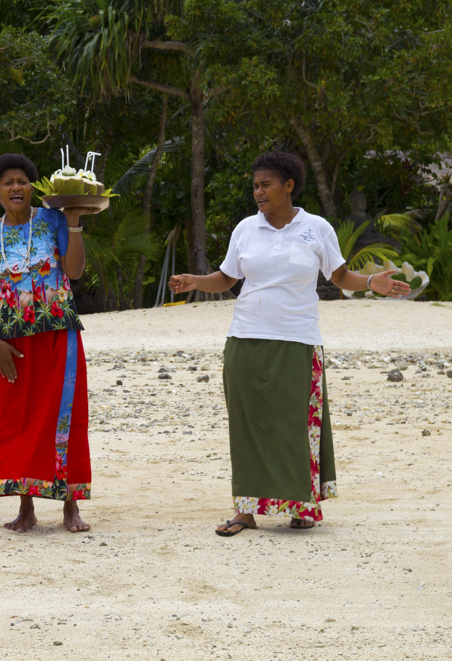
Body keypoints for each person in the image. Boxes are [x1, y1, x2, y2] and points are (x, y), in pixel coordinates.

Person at [168, 151, 411, 536]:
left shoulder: (317, 229)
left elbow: (340, 275)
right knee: (247, 428)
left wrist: (370, 283)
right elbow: (228, 278)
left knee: (295, 426)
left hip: (298, 340)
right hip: (245, 339)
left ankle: (301, 505)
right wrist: (196, 281)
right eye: (255, 186)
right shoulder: (246, 229)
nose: (258, 192)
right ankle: (245, 511)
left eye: (265, 185)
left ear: (289, 186)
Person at [0, 154, 99, 534]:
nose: (16, 187)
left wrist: (73, 223)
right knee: (17, 422)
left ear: (32, 189)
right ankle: (25, 507)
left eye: (23, 181)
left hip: (59, 337)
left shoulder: (53, 220)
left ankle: (69, 506)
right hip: (13, 345)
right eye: (8, 181)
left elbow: (74, 272)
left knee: (66, 418)